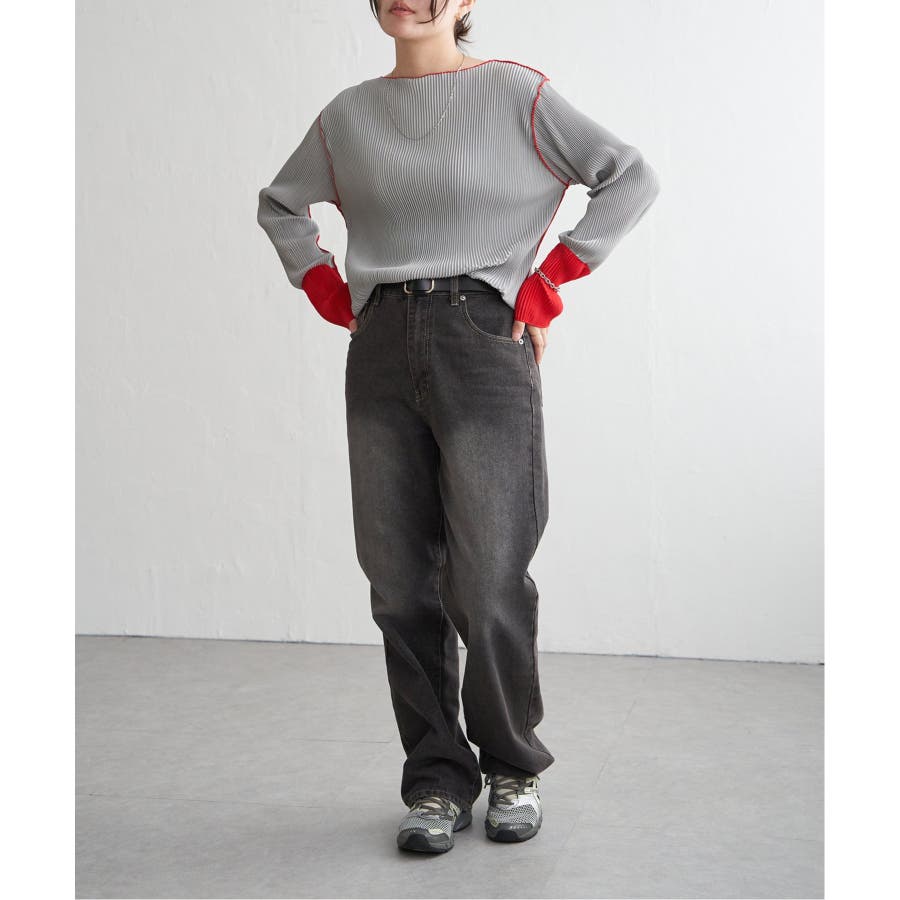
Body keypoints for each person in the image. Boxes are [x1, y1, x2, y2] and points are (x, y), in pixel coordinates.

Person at [256, 0, 660, 854]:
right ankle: (437, 780)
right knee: (399, 581)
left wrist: (546, 282)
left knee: (488, 576)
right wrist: (326, 287)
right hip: (381, 346)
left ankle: (513, 765)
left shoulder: (517, 94)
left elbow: (628, 176)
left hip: (482, 336)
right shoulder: (348, 116)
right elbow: (281, 204)